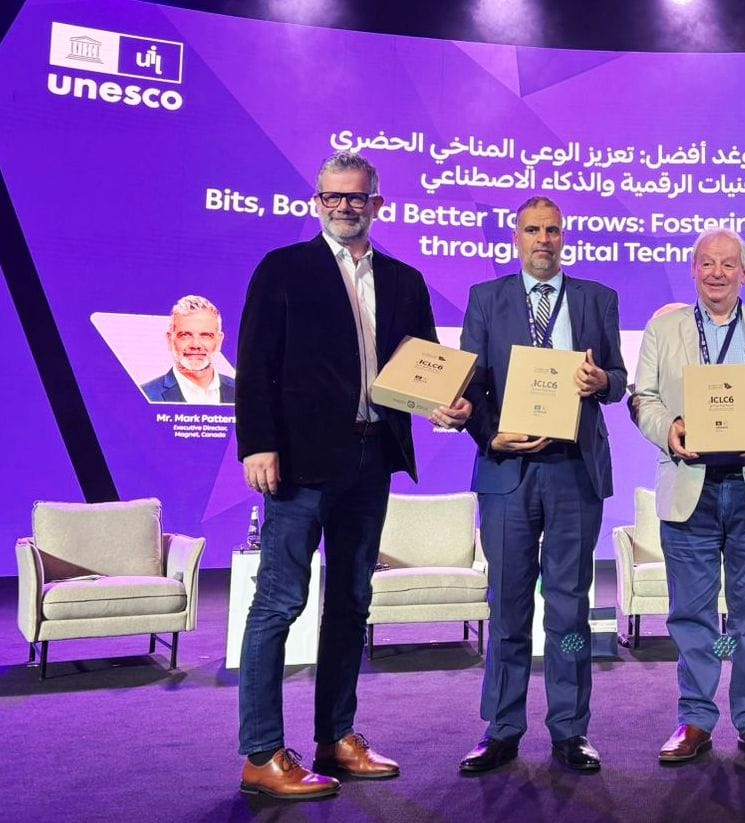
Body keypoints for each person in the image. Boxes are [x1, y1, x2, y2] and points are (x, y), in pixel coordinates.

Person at [235, 151, 469, 800]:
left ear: (377, 205)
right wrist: (256, 443)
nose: (343, 207)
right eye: (332, 197)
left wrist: (445, 406)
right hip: (299, 467)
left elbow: (423, 370)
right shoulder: (283, 269)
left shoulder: (405, 281)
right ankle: (260, 752)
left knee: (351, 603)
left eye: (356, 198)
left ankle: (335, 737)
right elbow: (254, 364)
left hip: (372, 461)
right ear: (317, 202)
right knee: (279, 602)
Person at [443, 195, 625, 774]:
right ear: (516, 238)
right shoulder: (486, 300)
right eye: (531, 230)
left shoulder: (598, 298)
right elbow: (467, 385)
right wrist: (488, 435)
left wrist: (602, 381)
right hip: (507, 473)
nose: (542, 239)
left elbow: (618, 379)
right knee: (509, 605)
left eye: (551, 230)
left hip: (574, 472)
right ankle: (502, 728)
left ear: (564, 236)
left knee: (570, 610)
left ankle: (571, 731)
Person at [632, 228, 745, 764]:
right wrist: (670, 429)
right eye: (706, 263)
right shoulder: (663, 331)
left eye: (728, 265)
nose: (716, 272)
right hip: (692, 488)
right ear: (692, 269)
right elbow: (643, 398)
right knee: (691, 613)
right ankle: (695, 720)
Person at [141, 295, 236, 404]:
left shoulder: (242, 392)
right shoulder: (146, 394)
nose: (195, 345)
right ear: (169, 340)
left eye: (205, 335)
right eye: (185, 335)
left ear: (219, 341)